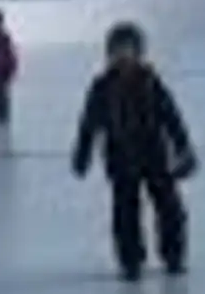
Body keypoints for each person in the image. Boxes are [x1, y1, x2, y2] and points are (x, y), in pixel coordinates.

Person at [71, 23, 196, 281]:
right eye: (118, 51)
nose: (123, 56)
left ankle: (173, 256)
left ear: (139, 52)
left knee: (169, 207)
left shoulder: (151, 81)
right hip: (120, 156)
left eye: (128, 50)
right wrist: (82, 154)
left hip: (154, 153)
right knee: (125, 210)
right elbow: (89, 123)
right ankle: (131, 261)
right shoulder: (102, 86)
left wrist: (183, 147)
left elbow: (171, 116)